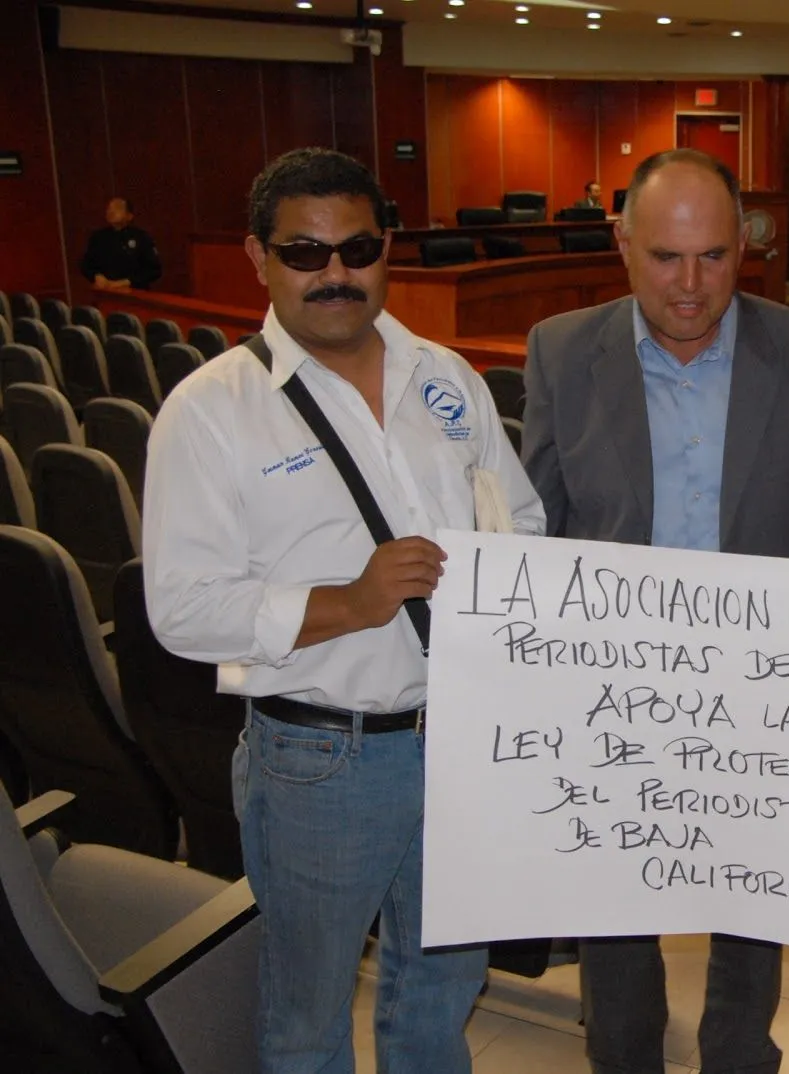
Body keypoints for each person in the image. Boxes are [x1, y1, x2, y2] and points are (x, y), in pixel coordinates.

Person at [143, 147, 546, 1072]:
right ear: (258, 258)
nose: (335, 274)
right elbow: (181, 609)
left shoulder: (448, 378)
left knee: (440, 995)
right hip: (322, 759)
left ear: (388, 247)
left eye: (356, 248)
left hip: (462, 744)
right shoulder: (210, 412)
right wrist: (351, 602)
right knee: (308, 1012)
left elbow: (518, 518)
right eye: (304, 253)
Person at [521, 147, 789, 1074]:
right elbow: (540, 521)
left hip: (759, 689)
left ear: (745, 246)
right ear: (622, 244)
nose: (690, 284)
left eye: (714, 256)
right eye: (666, 258)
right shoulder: (558, 349)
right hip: (610, 688)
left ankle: (740, 1055)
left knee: (753, 902)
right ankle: (622, 1057)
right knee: (613, 896)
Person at [81, 195, 161, 290]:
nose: (111, 211)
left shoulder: (141, 237)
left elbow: (154, 270)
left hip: (136, 292)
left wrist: (126, 282)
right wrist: (96, 276)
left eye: (117, 208)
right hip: (106, 292)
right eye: (109, 208)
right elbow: (86, 264)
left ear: (129, 216)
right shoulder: (98, 237)